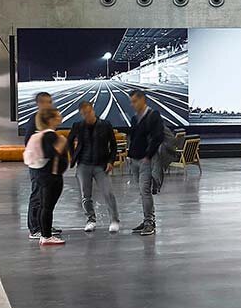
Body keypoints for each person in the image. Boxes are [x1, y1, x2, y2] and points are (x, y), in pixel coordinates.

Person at [69, 98, 123, 234]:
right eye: (84, 113)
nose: (87, 115)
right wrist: (73, 156)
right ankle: (90, 220)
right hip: (83, 165)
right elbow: (69, 141)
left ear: (93, 110)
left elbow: (113, 145)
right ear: (81, 114)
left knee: (108, 193)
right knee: (85, 195)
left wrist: (111, 161)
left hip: (101, 165)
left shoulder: (105, 125)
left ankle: (114, 220)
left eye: (89, 112)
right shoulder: (78, 126)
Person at [128, 91, 169, 237]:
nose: (132, 104)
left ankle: (149, 222)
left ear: (142, 100)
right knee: (142, 191)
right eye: (131, 101)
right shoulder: (134, 118)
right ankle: (147, 219)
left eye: (134, 101)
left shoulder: (153, 116)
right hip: (134, 160)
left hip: (146, 160)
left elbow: (158, 136)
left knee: (145, 190)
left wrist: (148, 155)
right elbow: (133, 138)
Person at [32, 110, 70, 247]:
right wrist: (60, 145)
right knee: (47, 207)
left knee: (45, 206)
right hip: (51, 176)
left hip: (43, 174)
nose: (60, 117)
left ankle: (45, 234)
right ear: (50, 119)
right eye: (57, 116)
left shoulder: (41, 135)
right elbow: (50, 154)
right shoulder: (50, 136)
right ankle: (46, 236)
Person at [24, 91, 56, 238]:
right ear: (39, 104)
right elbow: (29, 142)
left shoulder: (45, 120)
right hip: (38, 166)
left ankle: (44, 225)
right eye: (46, 102)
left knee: (45, 196)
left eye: (50, 102)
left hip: (46, 165)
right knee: (37, 195)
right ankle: (35, 228)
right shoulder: (35, 120)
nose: (49, 105)